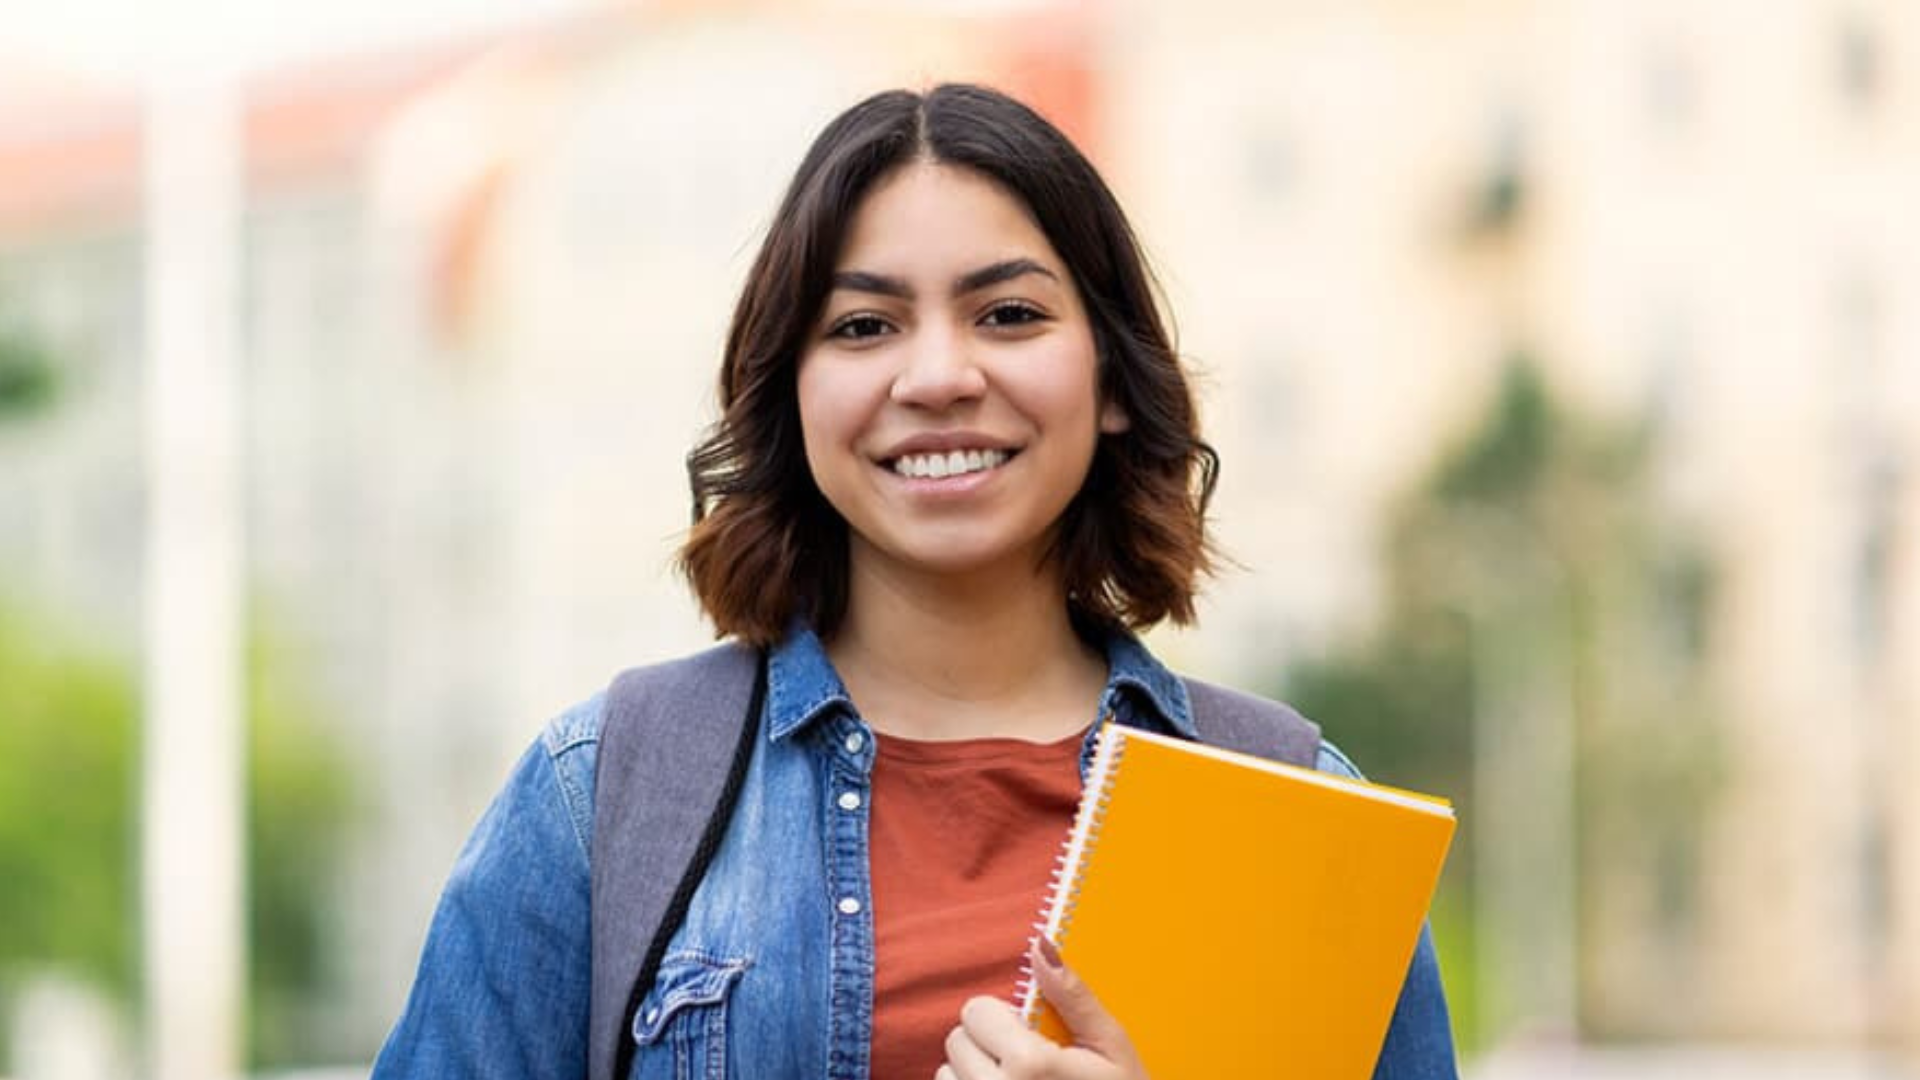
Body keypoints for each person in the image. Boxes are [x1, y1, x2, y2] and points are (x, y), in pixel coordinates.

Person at [371, 82, 1456, 1080]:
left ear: (1114, 378)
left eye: (1010, 315)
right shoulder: (601, 795)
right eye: (863, 327)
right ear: (790, 392)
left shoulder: (1301, 821)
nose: (938, 376)